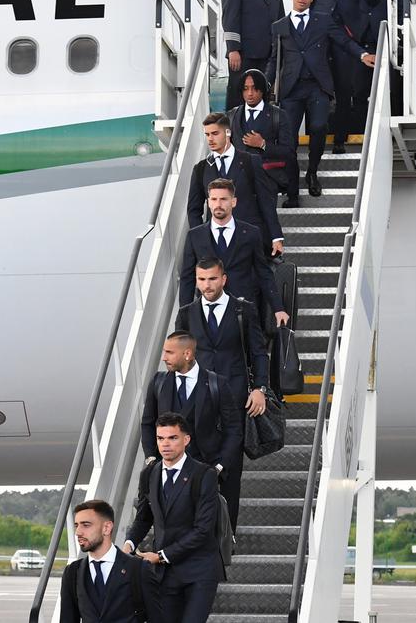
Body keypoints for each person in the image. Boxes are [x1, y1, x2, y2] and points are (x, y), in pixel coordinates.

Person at [175, 257, 269, 531]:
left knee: (229, 470)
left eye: (212, 279)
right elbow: (179, 358)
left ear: (224, 279)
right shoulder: (186, 313)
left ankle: (227, 536)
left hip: (234, 400)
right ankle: (196, 532)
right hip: (195, 402)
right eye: (202, 279)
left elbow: (259, 352)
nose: (207, 285)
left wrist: (259, 388)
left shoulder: (244, 310)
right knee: (192, 469)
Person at [267, 0, 375, 198]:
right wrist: (264, 84)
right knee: (289, 139)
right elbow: (274, 59)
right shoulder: (278, 26)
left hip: (318, 86)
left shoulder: (323, 21)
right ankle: (290, 181)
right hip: (291, 89)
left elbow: (344, 41)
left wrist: (363, 55)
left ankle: (313, 172)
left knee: (318, 127)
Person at [123, 412, 224, 623]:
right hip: (164, 574)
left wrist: (160, 555)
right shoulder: (148, 474)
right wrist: (129, 544)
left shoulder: (205, 475)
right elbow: (143, 518)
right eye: (160, 438)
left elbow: (203, 530)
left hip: (199, 571)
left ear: (186, 440)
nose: (165, 444)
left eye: (172, 438)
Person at [308, 0, 394, 153]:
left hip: (348, 30)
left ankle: (339, 138)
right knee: (317, 81)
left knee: (345, 87)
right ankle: (315, 131)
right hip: (321, 26)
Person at [140, 332, 242, 490]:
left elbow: (234, 429)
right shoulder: (158, 382)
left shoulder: (217, 384)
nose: (164, 358)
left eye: (169, 352)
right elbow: (147, 423)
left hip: (205, 471)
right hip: (167, 472)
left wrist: (219, 466)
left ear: (187, 354)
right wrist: (151, 460)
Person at [181, 178, 288, 326]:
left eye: (224, 199)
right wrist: (184, 316)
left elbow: (264, 272)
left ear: (234, 202)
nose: (218, 204)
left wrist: (278, 308)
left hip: (244, 311)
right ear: (209, 202)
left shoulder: (251, 233)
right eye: (214, 199)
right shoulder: (195, 236)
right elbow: (187, 277)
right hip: (208, 313)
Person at [188, 112, 283, 253]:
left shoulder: (250, 161)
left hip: (249, 239)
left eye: (215, 133)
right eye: (207, 135)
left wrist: (276, 236)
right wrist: (200, 239)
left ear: (228, 133)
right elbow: (194, 209)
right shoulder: (201, 169)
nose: (210, 139)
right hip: (217, 242)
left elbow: (266, 200)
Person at [60, 500, 147, 623]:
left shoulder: (138, 568)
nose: (78, 532)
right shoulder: (72, 572)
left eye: (86, 525)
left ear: (106, 528)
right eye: (76, 525)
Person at [222, 0, 285, 110]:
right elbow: (230, 18)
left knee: (263, 97)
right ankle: (234, 132)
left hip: (269, 56)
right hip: (244, 54)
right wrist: (233, 49)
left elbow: (281, 22)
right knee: (240, 95)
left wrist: (282, 51)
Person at [227, 69, 297, 207]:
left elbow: (289, 152)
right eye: (246, 89)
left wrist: (263, 144)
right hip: (239, 180)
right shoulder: (231, 116)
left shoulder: (279, 116)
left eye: (255, 88)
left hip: (268, 178)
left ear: (263, 90)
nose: (250, 93)